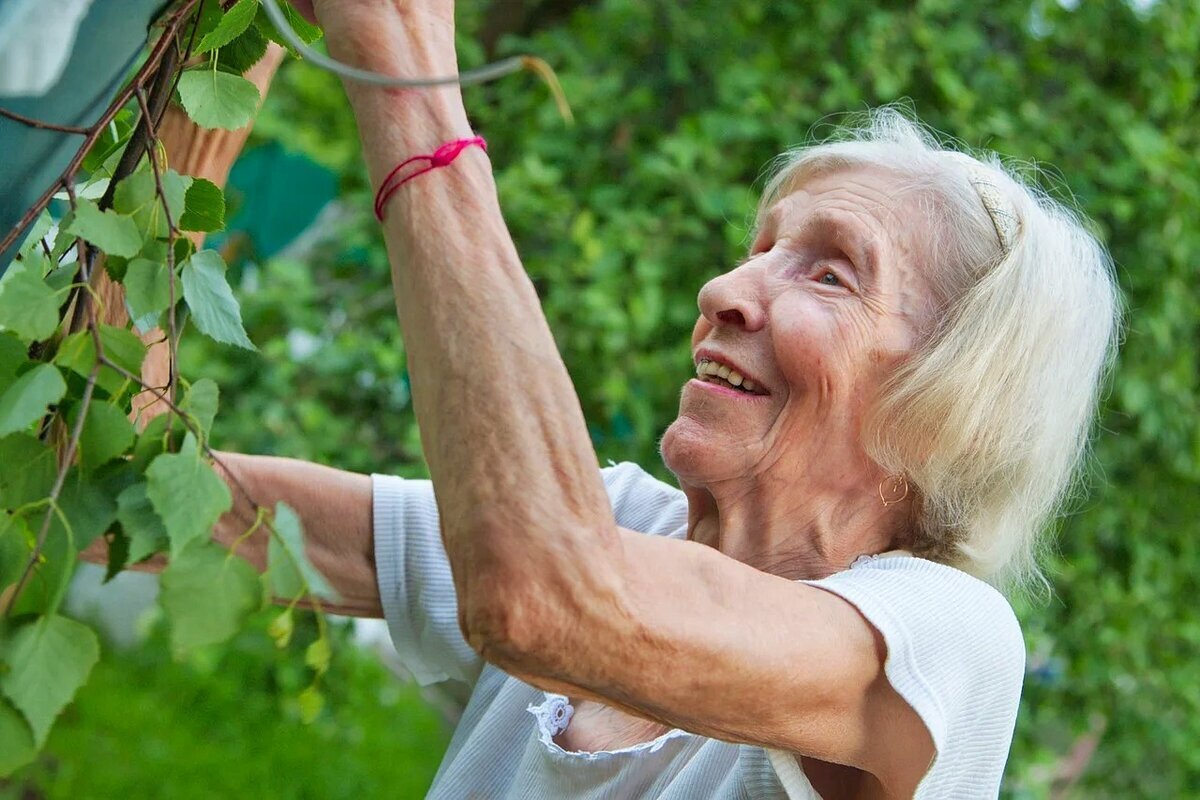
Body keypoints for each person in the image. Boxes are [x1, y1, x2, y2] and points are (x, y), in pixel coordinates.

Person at [182, 1, 1120, 797]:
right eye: (759, 248)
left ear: (953, 400)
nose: (725, 288)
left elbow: (542, 596)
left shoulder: (947, 643)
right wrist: (236, 43)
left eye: (830, 274)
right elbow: (142, 483)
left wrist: (402, 58)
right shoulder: (620, 522)